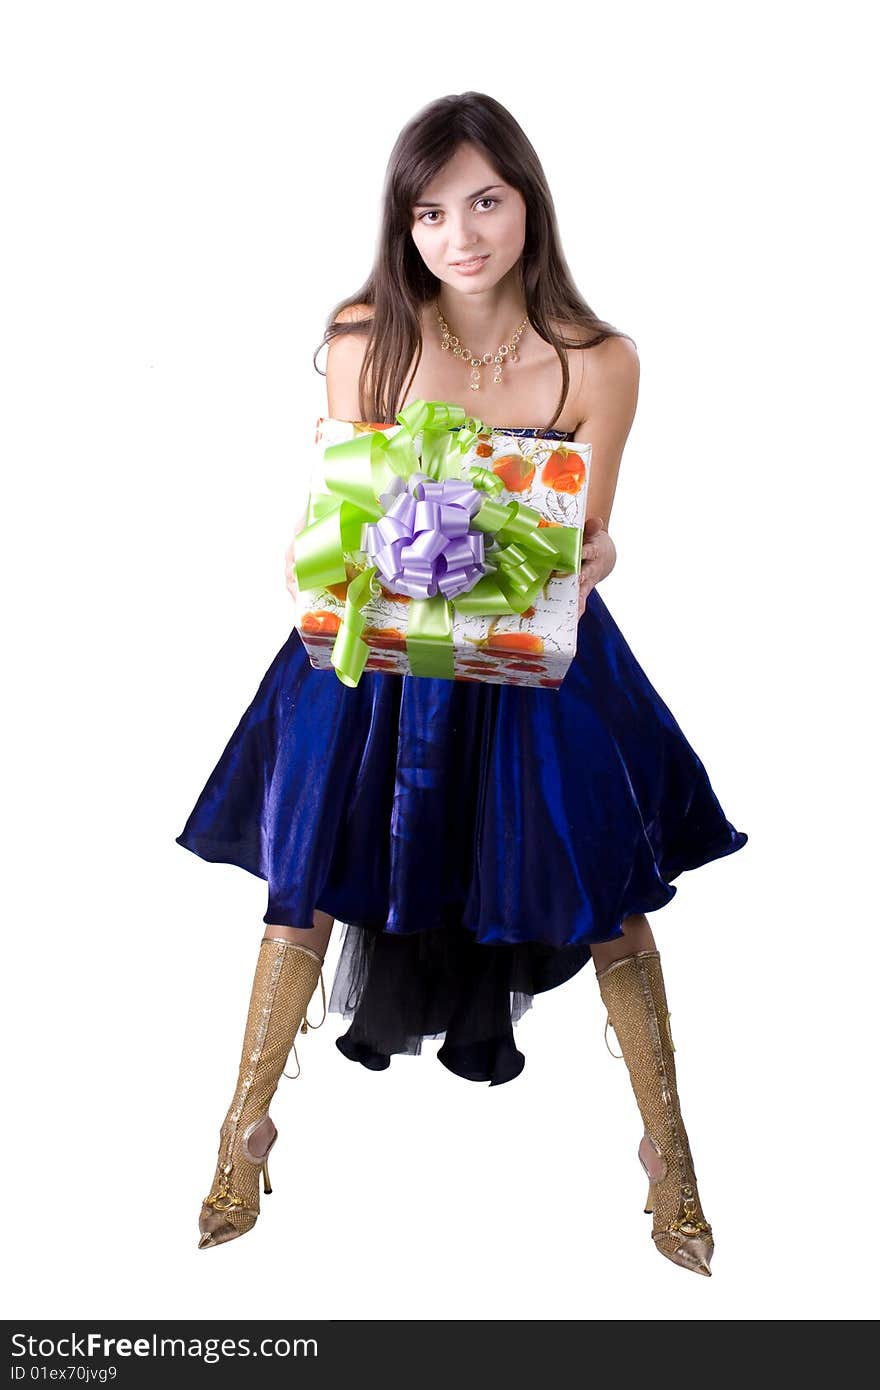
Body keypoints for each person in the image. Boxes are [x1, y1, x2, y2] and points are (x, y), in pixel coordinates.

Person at [176, 92, 748, 1276]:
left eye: (485, 200)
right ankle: (243, 1134)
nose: (462, 235)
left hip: (531, 663)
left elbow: (585, 541)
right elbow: (335, 512)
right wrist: (304, 553)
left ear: (528, 201)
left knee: (604, 884)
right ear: (405, 225)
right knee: (306, 875)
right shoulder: (363, 337)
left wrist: (596, 553)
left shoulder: (600, 361)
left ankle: (670, 1156)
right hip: (380, 657)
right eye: (431, 212)